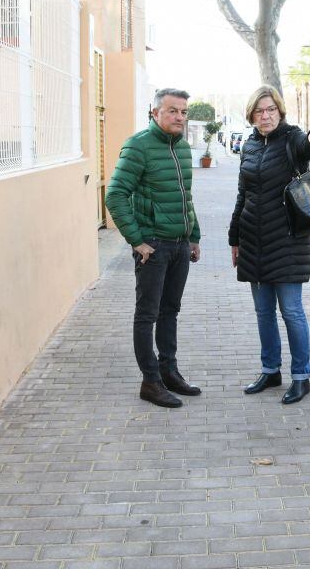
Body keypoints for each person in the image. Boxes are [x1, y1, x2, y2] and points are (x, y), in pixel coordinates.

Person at [229, 86, 310, 405]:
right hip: (253, 240)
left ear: (280, 111)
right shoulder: (250, 144)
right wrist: (234, 238)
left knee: (292, 311)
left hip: (287, 241)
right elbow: (243, 193)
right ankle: (271, 370)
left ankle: (302, 377)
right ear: (251, 115)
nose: (266, 115)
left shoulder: (292, 138)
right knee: (263, 313)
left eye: (271, 109)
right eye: (259, 111)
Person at [105, 88, 202, 409]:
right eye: (172, 111)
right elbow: (115, 195)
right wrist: (137, 240)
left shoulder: (184, 148)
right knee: (147, 315)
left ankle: (168, 371)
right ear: (155, 113)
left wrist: (194, 236)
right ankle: (150, 381)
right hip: (153, 247)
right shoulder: (138, 147)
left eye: (184, 112)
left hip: (178, 245)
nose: (179, 117)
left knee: (170, 311)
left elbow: (185, 198)